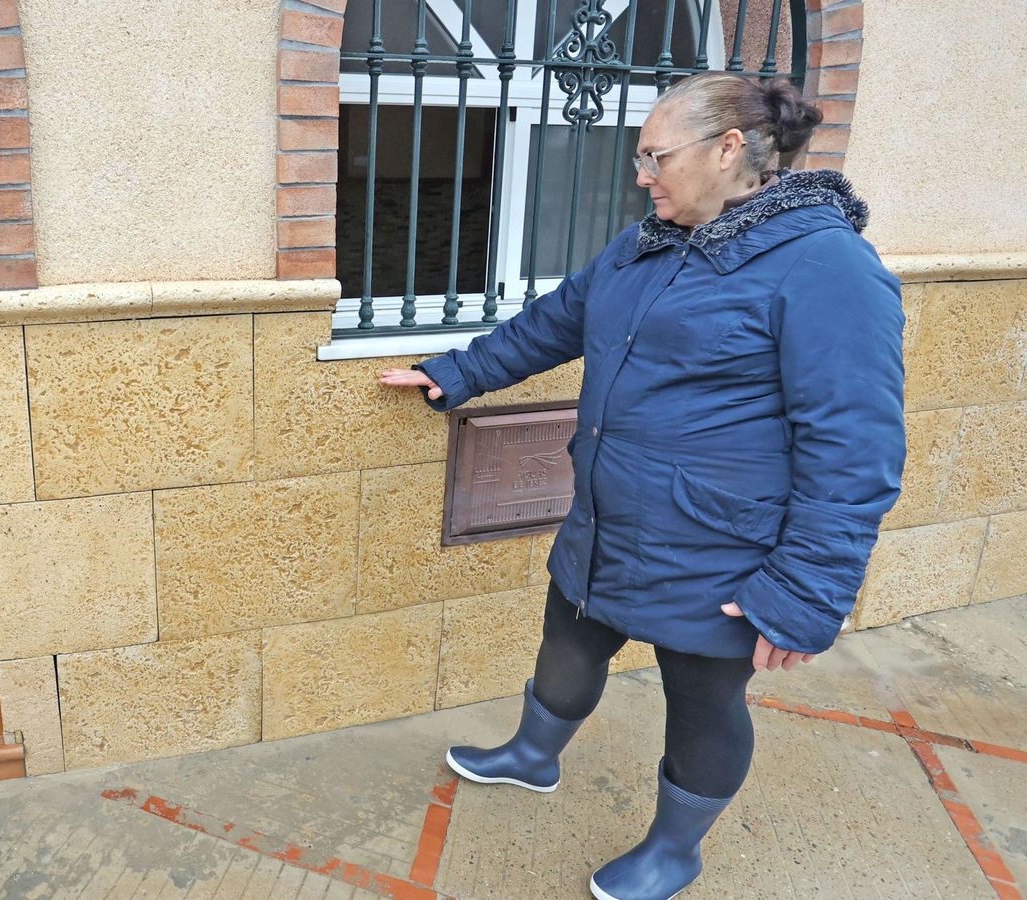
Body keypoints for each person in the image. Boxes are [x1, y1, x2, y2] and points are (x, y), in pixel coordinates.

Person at [379, 73, 904, 900]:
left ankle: (674, 850)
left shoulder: (828, 267)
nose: (642, 174)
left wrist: (807, 591)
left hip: (717, 552)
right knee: (568, 640)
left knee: (700, 703)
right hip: (606, 521)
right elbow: (555, 321)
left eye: (655, 155)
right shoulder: (645, 244)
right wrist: (455, 372)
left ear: (729, 150)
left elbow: (856, 446)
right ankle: (532, 755)